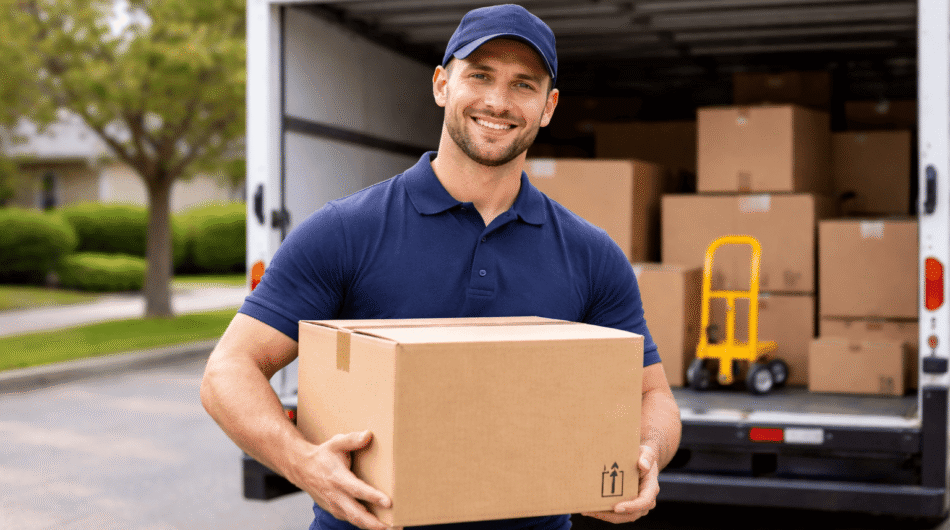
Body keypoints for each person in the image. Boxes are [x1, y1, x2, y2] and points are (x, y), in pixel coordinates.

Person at [200, 4, 681, 530]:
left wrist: (646, 456)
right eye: (479, 75)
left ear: (548, 107)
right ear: (441, 85)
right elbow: (229, 372)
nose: (498, 101)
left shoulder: (591, 254)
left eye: (524, 84)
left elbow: (653, 395)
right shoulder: (345, 231)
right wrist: (304, 464)